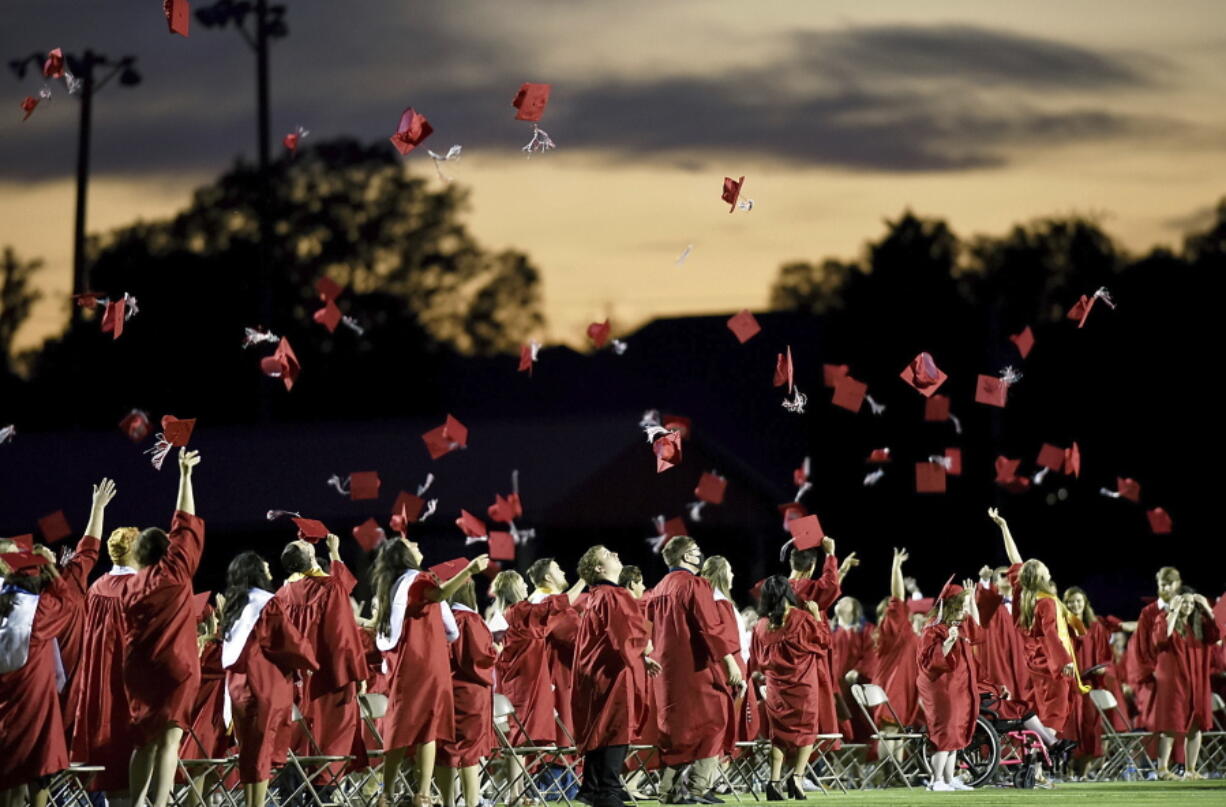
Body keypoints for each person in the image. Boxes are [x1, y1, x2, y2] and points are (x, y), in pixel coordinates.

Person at [0, 478, 112, 807]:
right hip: (42, 699)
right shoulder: (49, 608)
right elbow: (87, 553)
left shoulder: (10, 605)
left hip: (16, 703)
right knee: (39, 765)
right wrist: (97, 509)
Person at [372, 538, 488, 807]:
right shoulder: (416, 581)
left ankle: (406, 794)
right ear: (405, 555)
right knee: (414, 727)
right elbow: (438, 594)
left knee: (425, 728)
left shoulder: (398, 583)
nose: (415, 542)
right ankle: (400, 793)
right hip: (422, 662)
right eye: (410, 543)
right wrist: (468, 572)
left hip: (423, 662)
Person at [123, 449, 206, 807]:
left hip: (139, 671)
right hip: (176, 667)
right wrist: (185, 475)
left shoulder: (128, 586)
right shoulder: (175, 572)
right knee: (170, 741)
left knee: (144, 741)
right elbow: (185, 522)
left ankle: (135, 804)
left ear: (139, 557)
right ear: (167, 551)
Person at [646, 535, 742, 804]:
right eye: (697, 550)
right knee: (715, 720)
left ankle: (669, 791)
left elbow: (647, 630)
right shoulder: (694, 584)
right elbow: (709, 627)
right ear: (687, 556)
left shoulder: (659, 588)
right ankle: (697, 787)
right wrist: (730, 661)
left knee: (675, 731)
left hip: (665, 670)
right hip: (694, 668)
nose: (700, 554)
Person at [220, 551, 319, 807]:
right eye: (265, 567)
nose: (270, 571)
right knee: (262, 749)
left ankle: (254, 804)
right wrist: (311, 658)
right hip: (263, 683)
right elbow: (289, 641)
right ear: (255, 572)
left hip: (239, 686)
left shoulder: (236, 606)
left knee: (250, 750)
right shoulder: (266, 605)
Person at [989, 508, 1085, 755]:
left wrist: (1004, 527)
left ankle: (1037, 759)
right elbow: (1051, 635)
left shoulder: (1022, 595)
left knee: (1043, 714)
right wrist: (1064, 661)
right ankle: (1038, 759)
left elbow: (1015, 560)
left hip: (1032, 663)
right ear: (1042, 576)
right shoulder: (1046, 602)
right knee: (1053, 714)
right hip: (1050, 664)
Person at [276, 533, 369, 780]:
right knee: (331, 734)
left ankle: (292, 792)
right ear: (310, 558)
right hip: (328, 677)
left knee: (297, 735)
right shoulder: (329, 588)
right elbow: (343, 634)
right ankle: (324, 791)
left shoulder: (281, 596)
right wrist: (357, 673)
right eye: (302, 544)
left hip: (295, 677)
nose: (305, 541)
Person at [572, 546, 659, 807]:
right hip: (612, 674)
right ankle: (608, 790)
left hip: (595, 672)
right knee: (615, 728)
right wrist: (645, 646)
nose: (617, 555)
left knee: (600, 728)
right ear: (599, 568)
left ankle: (591, 788)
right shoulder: (614, 595)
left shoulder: (596, 596)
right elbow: (625, 636)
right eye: (609, 555)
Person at [66, 524, 139, 802]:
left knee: (108, 745)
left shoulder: (97, 587)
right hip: (131, 681)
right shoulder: (138, 586)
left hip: (100, 680)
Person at [750, 576, 828, 801]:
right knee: (807, 732)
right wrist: (816, 616)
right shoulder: (801, 619)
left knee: (779, 735)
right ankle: (797, 778)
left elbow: (757, 659)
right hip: (803, 684)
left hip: (776, 688)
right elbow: (823, 641)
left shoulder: (761, 626)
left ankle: (774, 782)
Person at [435, 578, 497, 807]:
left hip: (445, 690)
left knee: (446, 749)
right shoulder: (469, 619)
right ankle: (471, 802)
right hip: (470, 692)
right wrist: (494, 653)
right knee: (469, 751)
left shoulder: (440, 618)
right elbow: (478, 658)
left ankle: (448, 802)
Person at [915, 578, 979, 792]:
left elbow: (977, 631)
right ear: (949, 606)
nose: (964, 611)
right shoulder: (933, 628)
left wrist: (972, 601)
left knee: (956, 730)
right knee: (946, 731)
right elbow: (930, 663)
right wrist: (949, 642)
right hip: (941, 687)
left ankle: (949, 778)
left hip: (957, 686)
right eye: (960, 606)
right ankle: (936, 781)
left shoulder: (957, 625)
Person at [1151, 590, 1220, 779]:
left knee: (1196, 725)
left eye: (1191, 604)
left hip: (1198, 681)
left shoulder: (1199, 624)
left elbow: (1218, 633)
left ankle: (1191, 770)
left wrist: (1206, 606)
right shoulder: (1163, 618)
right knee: (1171, 724)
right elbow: (1161, 638)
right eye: (1185, 603)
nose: (1188, 607)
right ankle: (1162, 769)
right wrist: (1172, 610)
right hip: (1175, 682)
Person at [1063, 586, 1130, 774]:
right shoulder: (1062, 626)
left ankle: (1082, 772)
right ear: (1065, 604)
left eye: (1078, 601)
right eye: (1071, 601)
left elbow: (1105, 657)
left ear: (1085, 603)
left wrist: (1102, 668)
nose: (1075, 605)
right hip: (1070, 685)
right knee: (1072, 729)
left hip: (1090, 685)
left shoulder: (1095, 627)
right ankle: (1068, 768)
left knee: (1091, 730)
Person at [700, 556, 758, 758]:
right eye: (729, 570)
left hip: (734, 668)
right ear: (721, 574)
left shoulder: (718, 602)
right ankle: (711, 779)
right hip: (731, 671)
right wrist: (739, 672)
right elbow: (728, 642)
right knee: (726, 726)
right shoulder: (719, 603)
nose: (733, 574)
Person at [526, 557, 583, 746]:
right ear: (549, 577)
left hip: (545, 678)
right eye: (558, 569)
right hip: (557, 678)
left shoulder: (535, 601)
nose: (564, 572)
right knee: (560, 741)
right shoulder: (548, 605)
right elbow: (577, 639)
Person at [871, 549, 922, 740]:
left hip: (901, 683)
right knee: (890, 730)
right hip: (895, 685)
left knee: (897, 733)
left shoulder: (899, 631)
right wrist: (896, 567)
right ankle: (891, 769)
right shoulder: (896, 625)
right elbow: (898, 596)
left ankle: (895, 769)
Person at [1130, 566, 1183, 732]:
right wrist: (1151, 670)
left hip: (1182, 675)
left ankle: (1181, 759)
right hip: (1157, 677)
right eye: (1162, 584)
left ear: (1178, 584)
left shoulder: (1186, 608)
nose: (1165, 588)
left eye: (1169, 584)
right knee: (1159, 724)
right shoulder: (1149, 613)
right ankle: (1157, 759)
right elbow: (1142, 646)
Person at [974, 564, 1034, 708]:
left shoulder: (1023, 605)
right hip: (999, 660)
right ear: (995, 583)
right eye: (1002, 575)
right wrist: (984, 580)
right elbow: (982, 603)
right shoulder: (992, 607)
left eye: (1010, 574)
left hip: (1022, 661)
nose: (1007, 577)